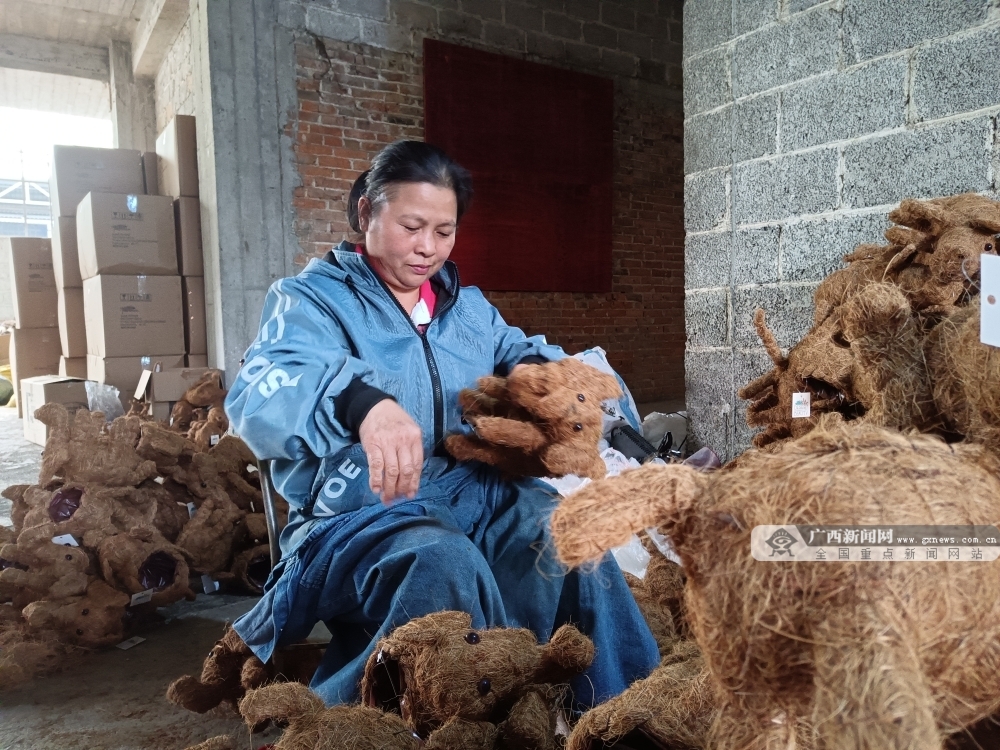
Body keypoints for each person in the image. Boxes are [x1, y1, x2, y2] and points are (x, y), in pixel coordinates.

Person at [225, 140, 660, 708]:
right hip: (362, 511)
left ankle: (619, 710)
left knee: (569, 539)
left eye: (444, 231)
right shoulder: (311, 301)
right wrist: (362, 403)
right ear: (366, 212)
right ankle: (369, 724)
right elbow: (263, 388)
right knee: (443, 563)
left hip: (473, 493)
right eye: (411, 227)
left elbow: (518, 352)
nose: (426, 247)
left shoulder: (468, 309)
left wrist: (544, 380)